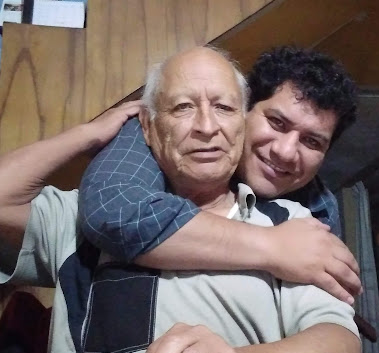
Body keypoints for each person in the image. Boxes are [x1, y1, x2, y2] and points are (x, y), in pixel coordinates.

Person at [0, 47, 362, 353]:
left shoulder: (291, 225)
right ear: (148, 126)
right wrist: (89, 134)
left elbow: (341, 346)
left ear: (241, 121)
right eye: (183, 107)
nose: (206, 126)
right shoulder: (77, 218)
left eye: (223, 108)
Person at [79, 46, 361, 308]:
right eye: (277, 123)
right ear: (242, 109)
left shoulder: (318, 208)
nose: (286, 152)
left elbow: (327, 316)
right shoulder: (154, 134)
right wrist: (273, 246)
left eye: (312, 141)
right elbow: (115, 211)